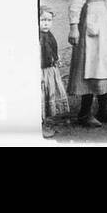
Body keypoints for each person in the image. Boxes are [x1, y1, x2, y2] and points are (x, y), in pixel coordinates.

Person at [39, 9, 69, 138]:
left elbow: (53, 48)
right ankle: (38, 126)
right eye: (43, 20)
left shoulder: (49, 35)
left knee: (49, 95)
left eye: (49, 20)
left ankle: (44, 121)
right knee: (41, 97)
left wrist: (56, 59)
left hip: (50, 71)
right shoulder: (37, 36)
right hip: (41, 71)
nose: (46, 24)